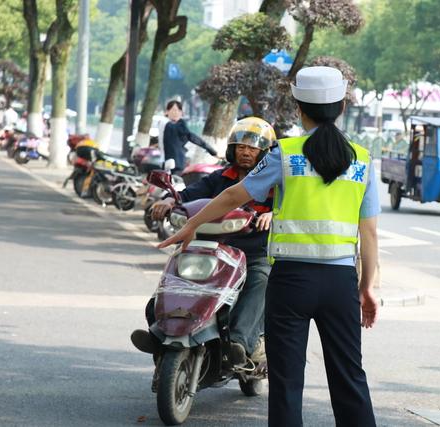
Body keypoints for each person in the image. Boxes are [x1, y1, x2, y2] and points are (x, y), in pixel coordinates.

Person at [157, 66, 379, 427]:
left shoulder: (286, 154)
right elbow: (368, 234)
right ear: (340, 107)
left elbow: (233, 194)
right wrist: (367, 287)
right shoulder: (362, 160)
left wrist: (192, 225)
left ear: (298, 108)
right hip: (340, 283)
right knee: (349, 376)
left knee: (287, 380)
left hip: (291, 281)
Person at [131, 116, 276, 366]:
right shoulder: (218, 178)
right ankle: (159, 331)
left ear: (263, 153)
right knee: (174, 275)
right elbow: (189, 195)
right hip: (212, 249)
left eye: (252, 148)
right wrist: (168, 200)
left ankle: (238, 343)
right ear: (232, 149)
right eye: (241, 147)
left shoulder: (273, 183)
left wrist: (274, 214)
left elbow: (290, 208)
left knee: (260, 280)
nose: (245, 153)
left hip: (254, 253)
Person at [162, 100, 217, 174]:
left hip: (176, 164)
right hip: (167, 163)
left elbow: (192, 137)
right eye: (173, 110)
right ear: (167, 111)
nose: (176, 113)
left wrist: (211, 150)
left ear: (181, 112)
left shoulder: (178, 126)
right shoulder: (167, 124)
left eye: (179, 110)